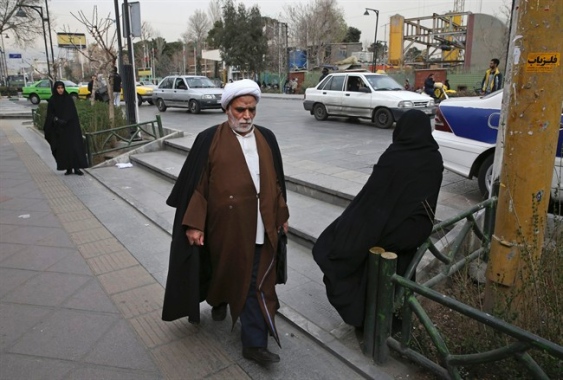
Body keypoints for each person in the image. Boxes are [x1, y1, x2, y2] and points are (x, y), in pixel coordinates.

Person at [162, 79, 290, 364]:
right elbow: (198, 186)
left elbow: (276, 181)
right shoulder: (209, 139)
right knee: (224, 272)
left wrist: (281, 215)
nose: (246, 116)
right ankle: (218, 299)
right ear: (227, 109)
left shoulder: (267, 138)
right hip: (224, 229)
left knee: (254, 281)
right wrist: (194, 224)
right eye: (240, 110)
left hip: (260, 224)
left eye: (252, 110)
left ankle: (253, 343)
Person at [312, 109, 443, 328]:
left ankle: (368, 319)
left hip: (392, 232)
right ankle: (397, 321)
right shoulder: (433, 157)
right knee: (400, 272)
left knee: (345, 245)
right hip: (418, 230)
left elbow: (372, 198)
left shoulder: (395, 155)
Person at [43, 81, 88, 176]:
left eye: (62, 88)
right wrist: (57, 120)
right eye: (58, 88)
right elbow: (50, 115)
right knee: (64, 149)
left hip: (71, 128)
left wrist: (67, 121)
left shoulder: (68, 99)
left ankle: (77, 168)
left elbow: (73, 113)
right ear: (55, 89)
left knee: (74, 147)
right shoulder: (52, 100)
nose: (60, 90)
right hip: (60, 129)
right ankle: (68, 168)